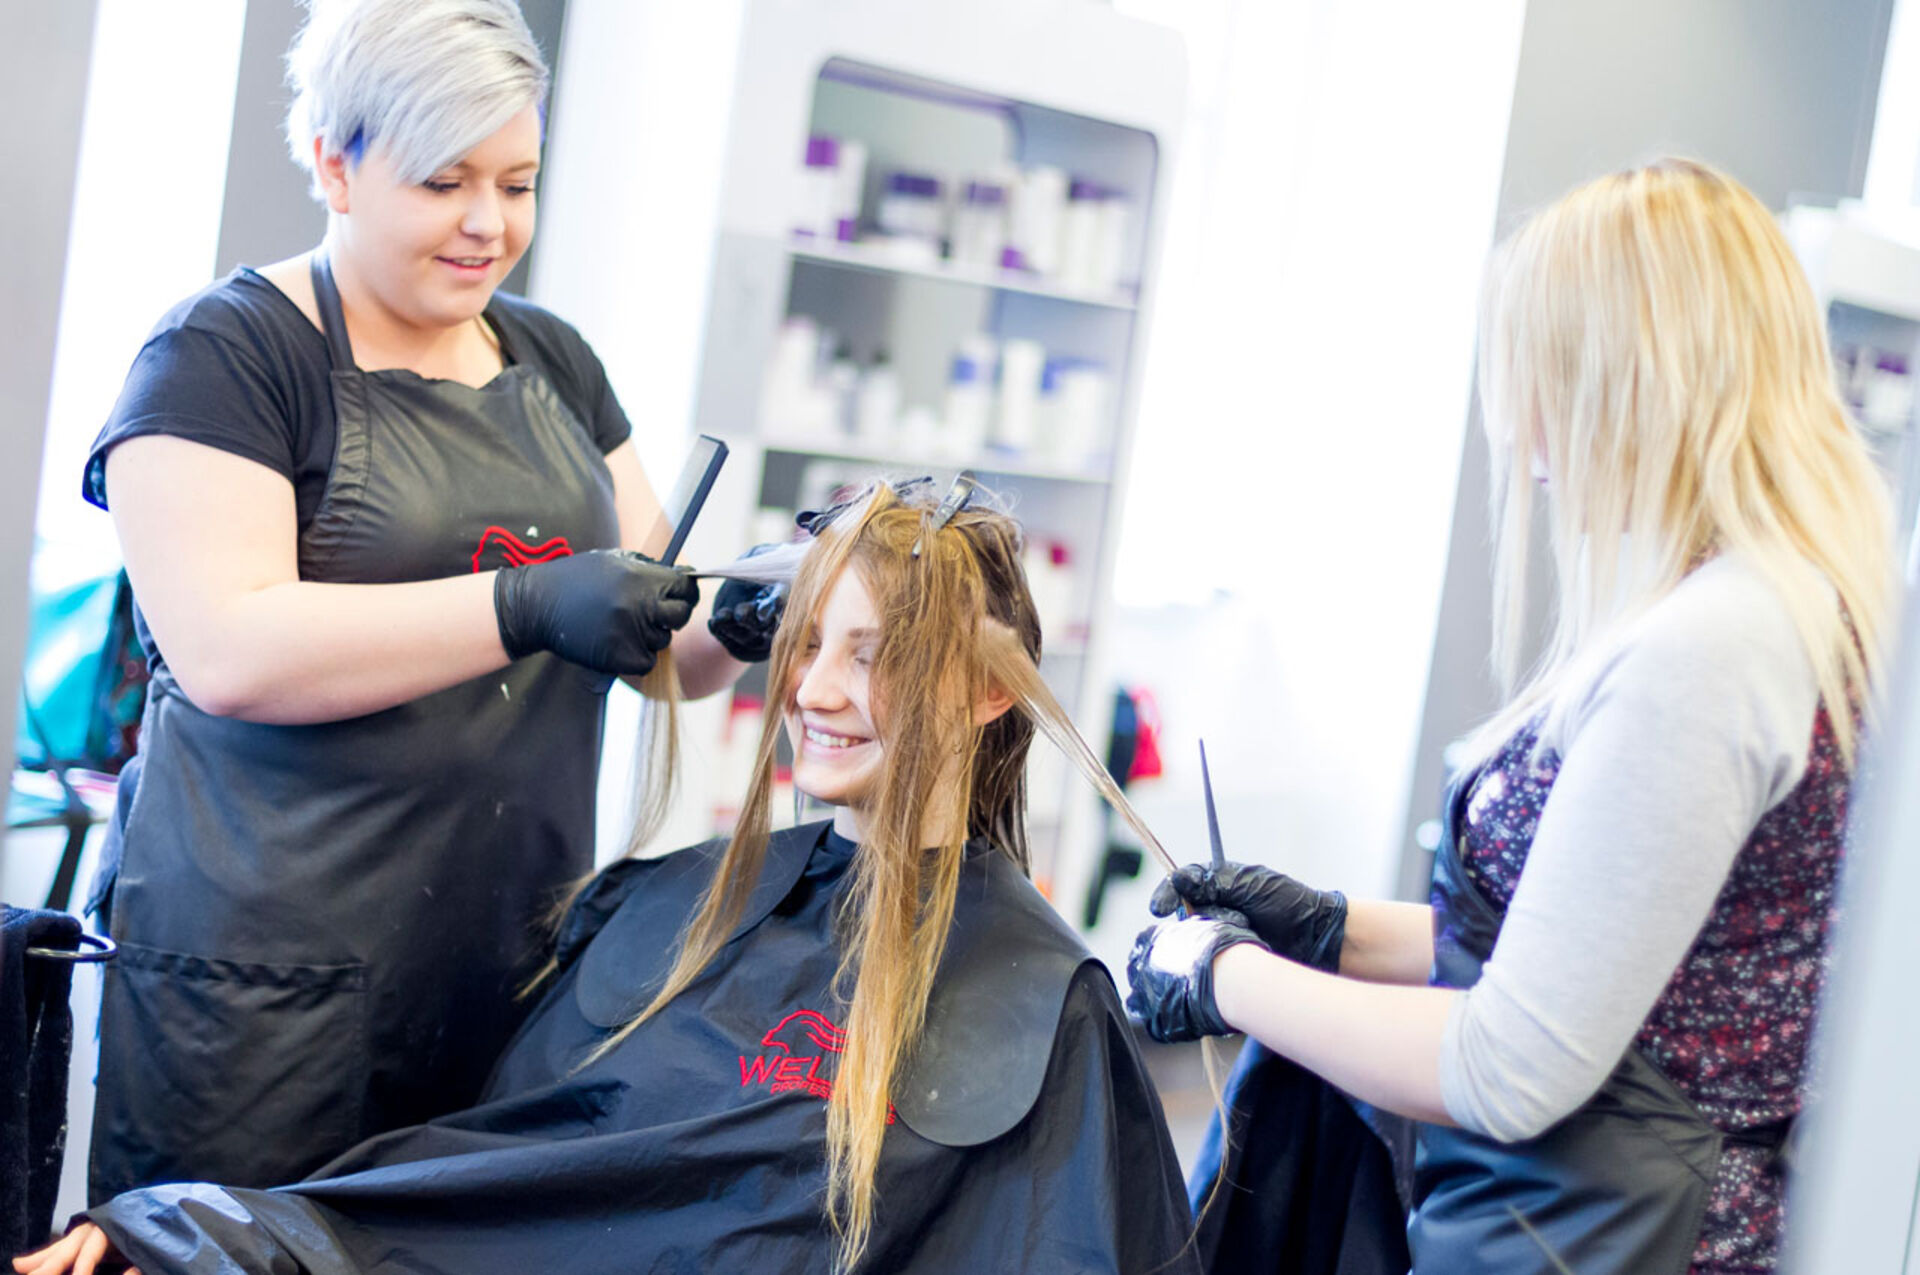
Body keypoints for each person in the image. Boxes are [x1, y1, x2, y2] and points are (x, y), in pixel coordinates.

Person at [18, 479, 1199, 1275]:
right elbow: (494, 1197)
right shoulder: (669, 908)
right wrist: (212, 1241)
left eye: (874, 656)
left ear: (990, 690)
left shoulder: (1037, 1009)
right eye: (805, 646)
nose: (814, 692)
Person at [1127, 158, 1897, 1274]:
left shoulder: (1712, 648)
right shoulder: (1791, 607)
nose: (1528, 442)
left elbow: (1509, 1065)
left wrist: (1225, 977)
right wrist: (1337, 928)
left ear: (1627, 379)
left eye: (1545, 379)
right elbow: (1602, 951)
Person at [80, 0, 776, 1204]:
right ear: (334, 165)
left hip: (505, 965)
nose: (488, 224)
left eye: (518, 183)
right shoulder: (223, 358)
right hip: (264, 998)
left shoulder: (554, 362)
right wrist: (523, 604)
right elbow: (229, 649)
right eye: (445, 182)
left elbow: (661, 653)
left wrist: (764, 604)